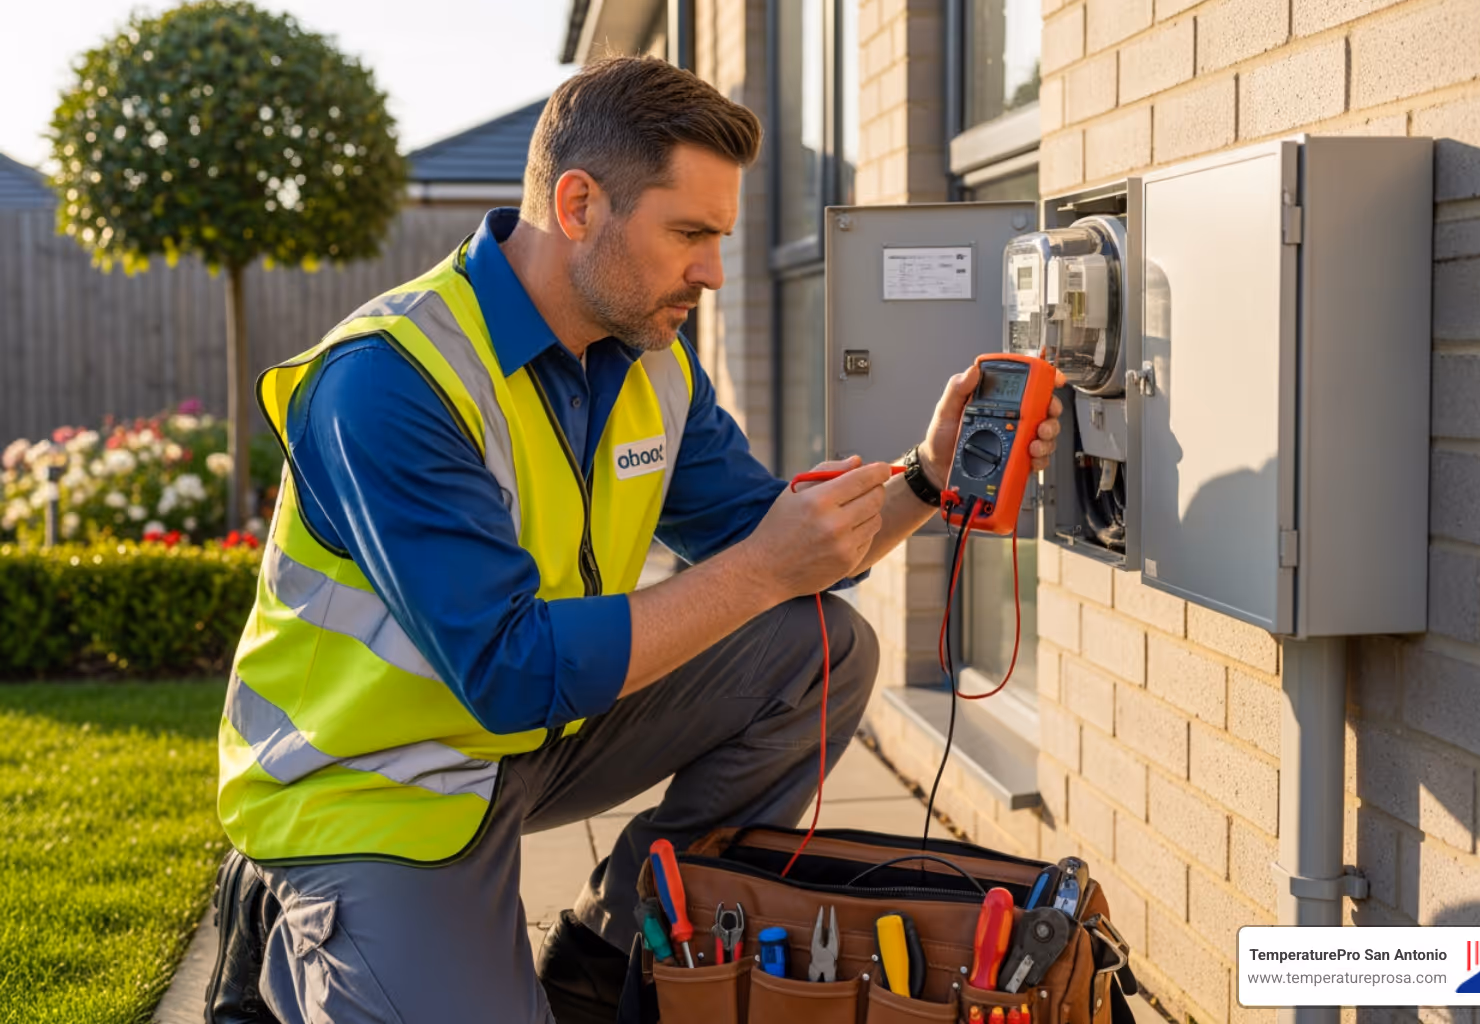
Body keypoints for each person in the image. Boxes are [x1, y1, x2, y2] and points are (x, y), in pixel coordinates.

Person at [207, 55, 1064, 1024]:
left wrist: (925, 475)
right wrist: (760, 566)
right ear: (578, 204)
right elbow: (508, 670)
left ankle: (609, 951)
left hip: (543, 733)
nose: (713, 270)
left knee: (819, 647)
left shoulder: (652, 366)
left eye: (721, 237)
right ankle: (289, 926)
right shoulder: (390, 382)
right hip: (377, 783)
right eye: (690, 233)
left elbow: (778, 544)